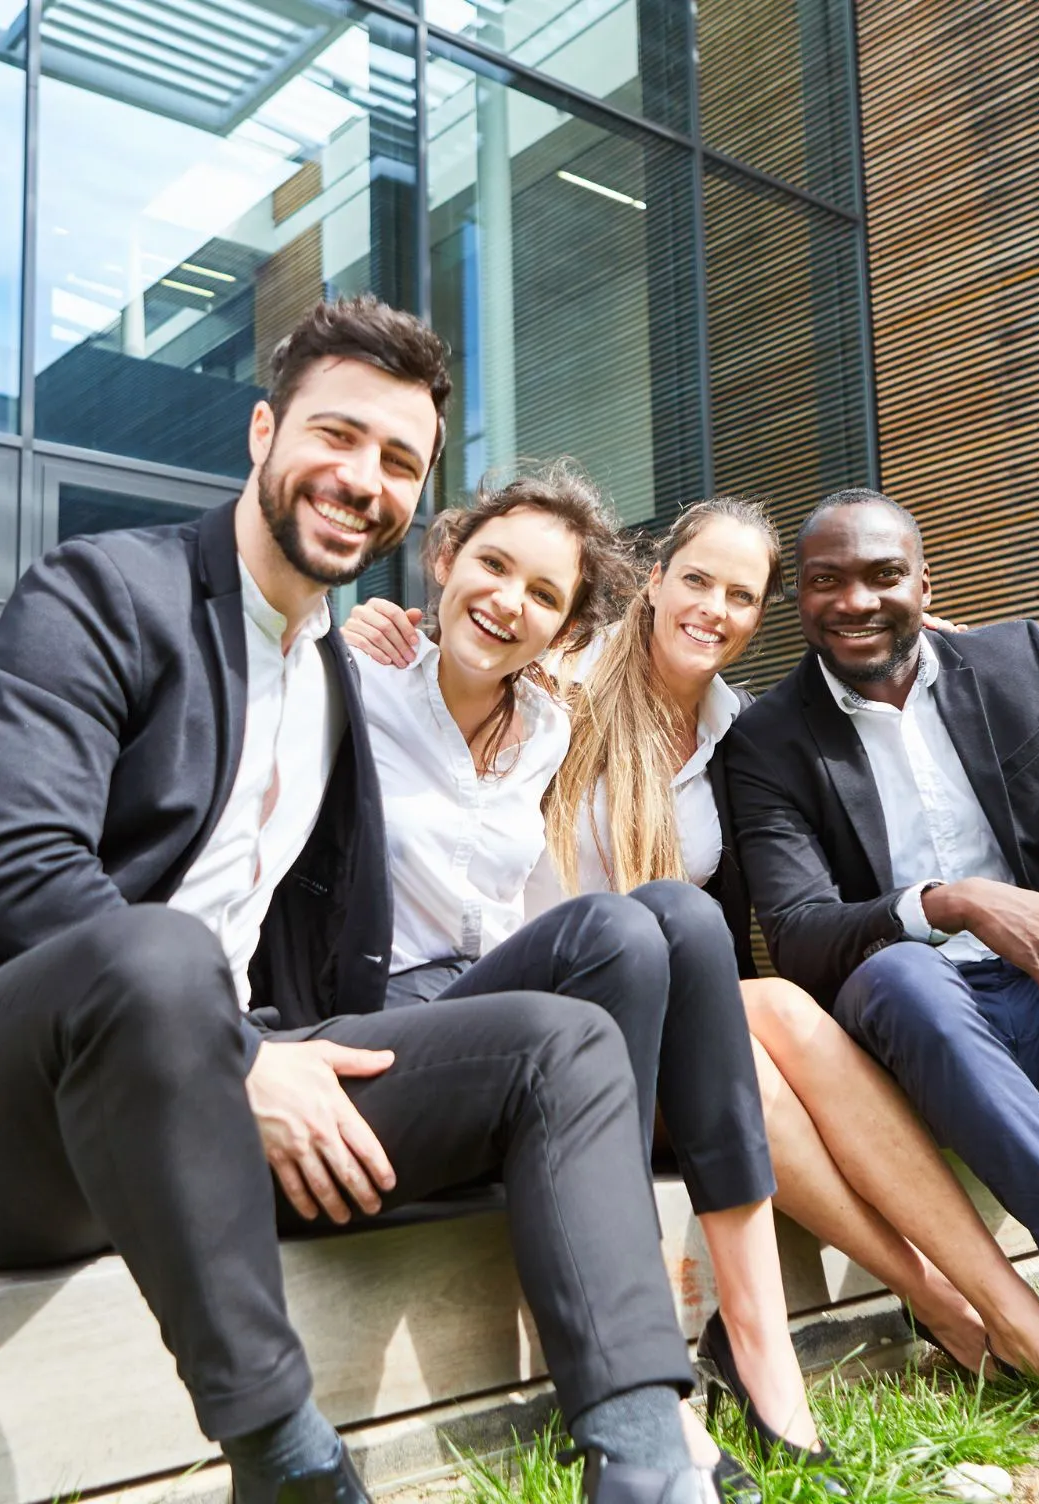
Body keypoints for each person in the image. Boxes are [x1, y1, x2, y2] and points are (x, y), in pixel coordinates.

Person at [0, 297, 716, 1504]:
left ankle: (649, 1464)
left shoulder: (333, 679)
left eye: (399, 460)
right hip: (47, 1110)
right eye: (337, 435)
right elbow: (21, 874)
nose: (360, 478)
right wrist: (239, 1058)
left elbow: (330, 971)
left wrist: (281, 1056)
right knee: (162, 956)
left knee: (569, 1040)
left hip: (245, 1079)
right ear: (264, 430)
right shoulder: (100, 594)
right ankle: (291, 1464)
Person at [353, 496, 1039, 1441]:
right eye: (695, 580)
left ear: (760, 616)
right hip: (535, 1017)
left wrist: (946, 649)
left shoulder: (738, 733)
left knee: (761, 1004)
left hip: (659, 1022)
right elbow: (473, 649)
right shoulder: (556, 683)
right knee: (746, 997)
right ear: (650, 583)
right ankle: (963, 1307)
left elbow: (743, 925)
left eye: (740, 595)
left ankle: (983, 1318)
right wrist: (391, 623)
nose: (712, 608)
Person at [342, 470, 844, 1500]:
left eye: (542, 593)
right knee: (628, 928)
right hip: (375, 1017)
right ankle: (650, 1398)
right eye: (491, 567)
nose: (508, 602)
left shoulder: (548, 724)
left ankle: (758, 1341)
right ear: (441, 562)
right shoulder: (350, 688)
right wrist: (356, 627)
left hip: (488, 998)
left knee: (676, 917)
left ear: (565, 626)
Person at [723, 484, 1039, 1416]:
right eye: (824, 581)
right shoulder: (768, 742)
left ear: (924, 581)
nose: (854, 601)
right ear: (800, 600)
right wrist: (952, 903)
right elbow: (801, 936)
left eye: (880, 576)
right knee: (901, 970)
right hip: (908, 1055)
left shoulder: (1018, 660)